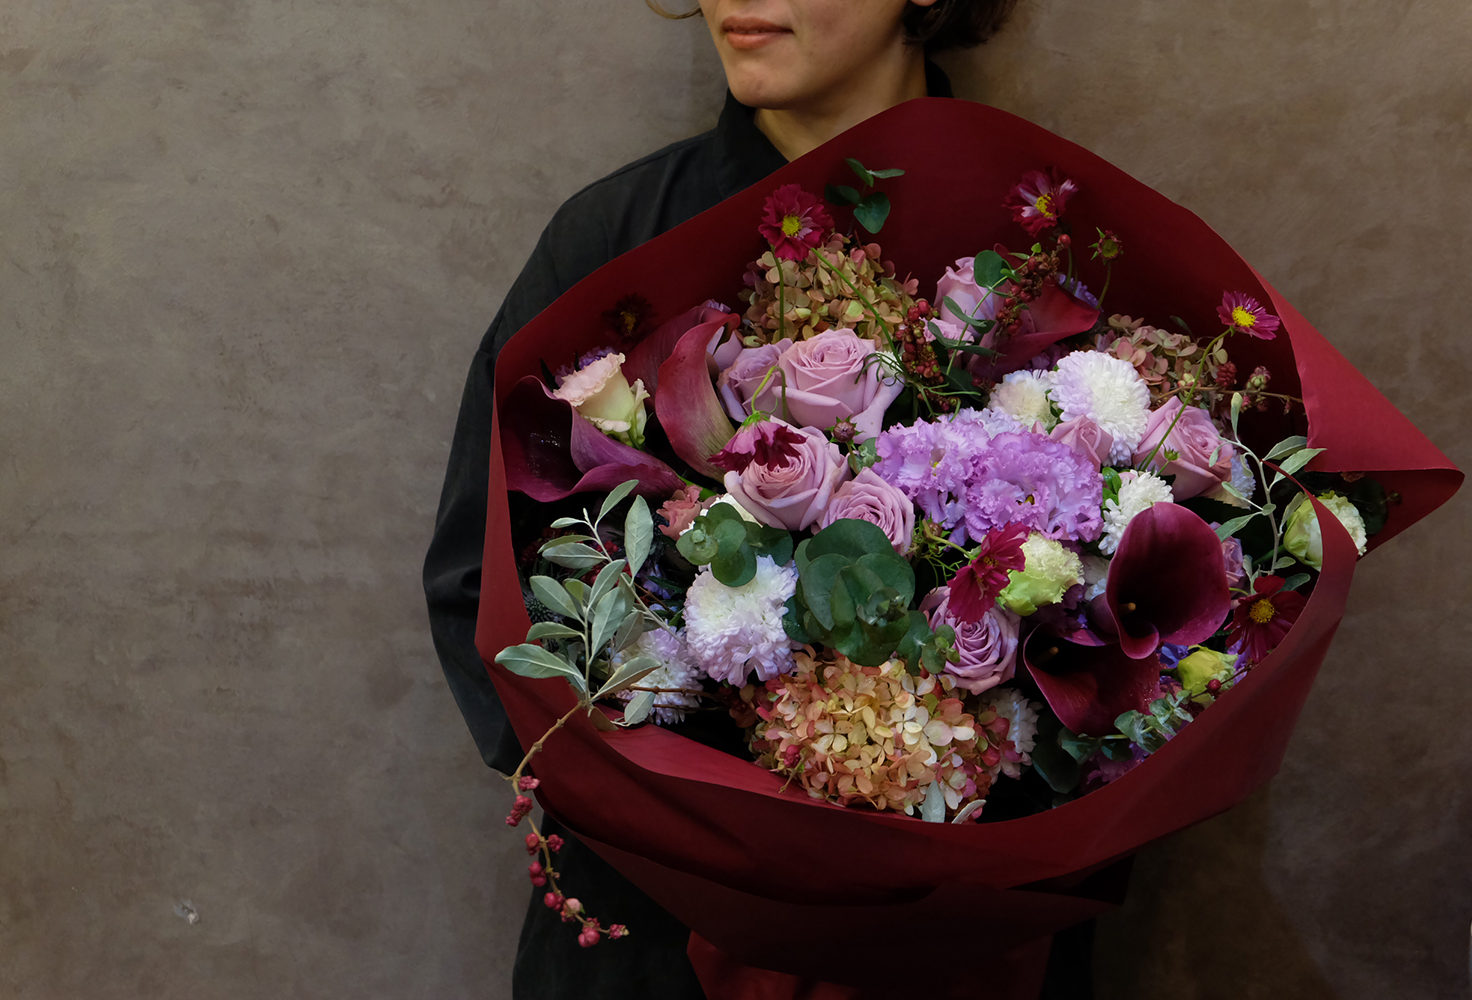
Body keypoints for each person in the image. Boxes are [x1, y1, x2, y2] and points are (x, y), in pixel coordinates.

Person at [423, 3, 1021, 996]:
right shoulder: (616, 237)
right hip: (653, 943)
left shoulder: (1027, 239)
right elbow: (472, 588)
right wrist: (681, 819)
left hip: (957, 946)